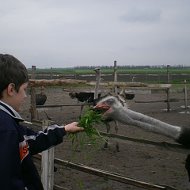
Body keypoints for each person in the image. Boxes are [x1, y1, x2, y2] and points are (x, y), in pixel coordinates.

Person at [0, 54, 84, 190]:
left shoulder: (8, 123)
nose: (25, 96)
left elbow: (28, 141)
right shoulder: (5, 128)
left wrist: (64, 129)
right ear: (11, 90)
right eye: (24, 90)